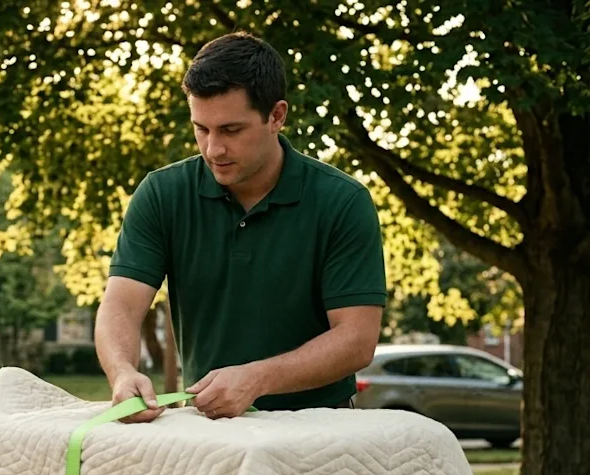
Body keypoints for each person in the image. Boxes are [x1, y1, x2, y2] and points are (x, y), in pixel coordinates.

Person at [96, 31, 386, 422]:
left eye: (231, 130)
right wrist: (122, 373)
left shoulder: (343, 202)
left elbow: (356, 340)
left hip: (321, 428)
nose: (213, 149)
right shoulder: (162, 194)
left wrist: (257, 379)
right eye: (202, 129)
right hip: (207, 429)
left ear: (276, 116)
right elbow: (121, 305)